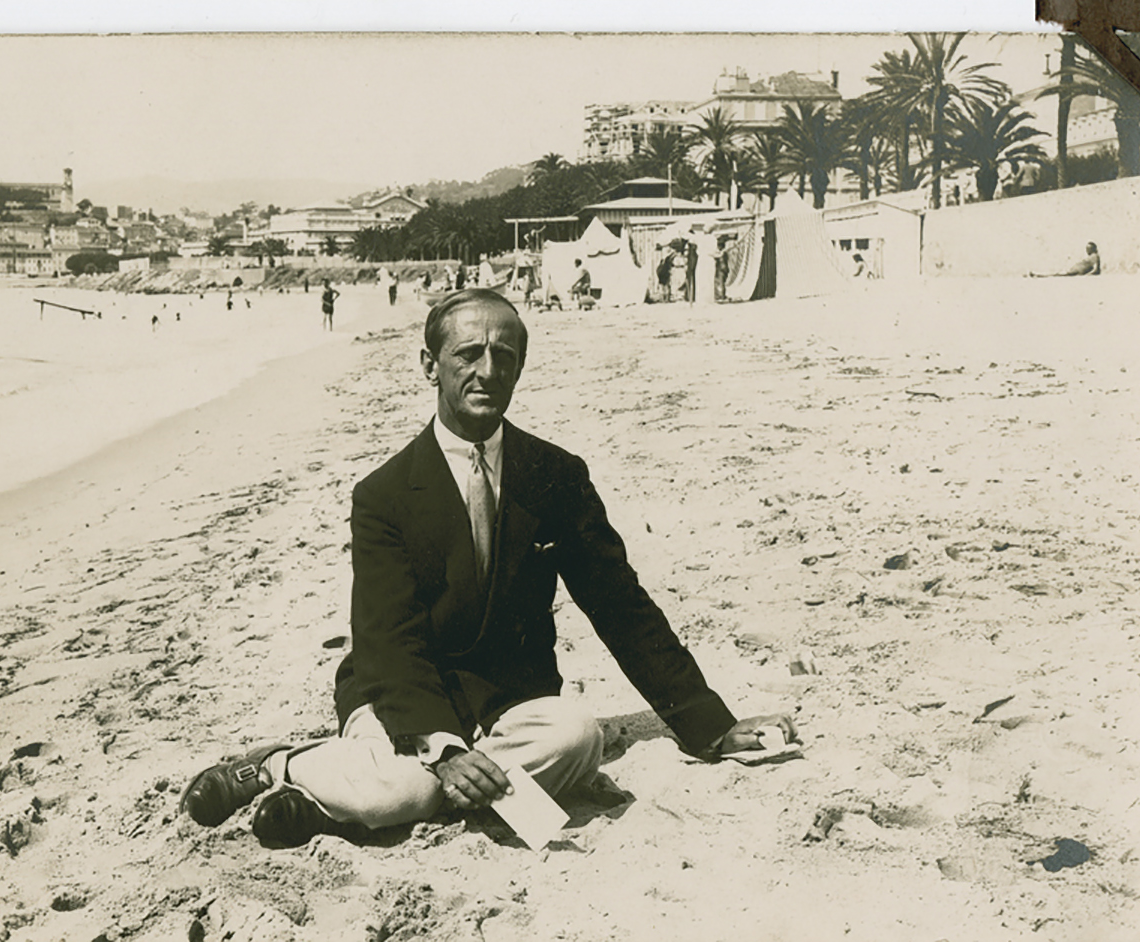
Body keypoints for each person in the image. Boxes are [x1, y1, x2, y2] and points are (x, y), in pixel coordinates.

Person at [181, 288, 794, 848]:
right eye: (469, 353)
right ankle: (277, 765)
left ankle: (331, 806)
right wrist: (444, 748)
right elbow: (386, 639)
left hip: (511, 700)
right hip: (403, 693)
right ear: (430, 366)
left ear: (521, 368)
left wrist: (710, 727)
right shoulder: (384, 494)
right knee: (398, 783)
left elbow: (620, 603)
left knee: (578, 735)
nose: (489, 371)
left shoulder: (555, 475)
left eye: (505, 356)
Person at [1030, 242, 1101, 277]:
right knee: (1057, 273)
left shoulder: (1094, 256)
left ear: (1093, 249)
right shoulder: (1092, 256)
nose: (1087, 250)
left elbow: (1096, 269)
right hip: (1074, 271)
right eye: (1087, 249)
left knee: (1057, 274)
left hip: (1076, 272)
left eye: (1089, 249)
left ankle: (1039, 275)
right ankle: (1039, 274)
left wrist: (1086, 276)